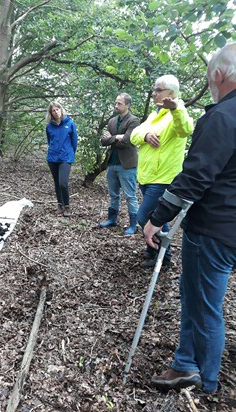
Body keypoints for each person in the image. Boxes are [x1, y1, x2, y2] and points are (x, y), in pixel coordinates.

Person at [144, 42, 236, 394]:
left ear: (218, 74)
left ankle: (201, 378)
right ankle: (187, 361)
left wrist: (157, 217)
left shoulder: (222, 117)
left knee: (202, 302)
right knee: (204, 300)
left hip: (215, 229)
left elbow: (196, 176)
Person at [130, 75, 193, 268]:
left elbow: (186, 129)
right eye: (154, 89)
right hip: (146, 176)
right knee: (158, 219)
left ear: (171, 94)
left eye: (158, 90)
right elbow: (133, 135)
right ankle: (157, 255)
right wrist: (146, 135)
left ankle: (161, 257)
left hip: (163, 178)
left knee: (143, 217)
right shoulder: (153, 115)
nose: (154, 93)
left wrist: (175, 109)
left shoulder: (177, 114)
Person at [99, 93, 140, 235]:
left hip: (127, 164)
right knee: (113, 194)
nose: (116, 106)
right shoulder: (112, 121)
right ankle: (112, 219)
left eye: (119, 104)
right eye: (116, 103)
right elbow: (103, 141)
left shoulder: (134, 121)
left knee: (130, 195)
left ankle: (133, 225)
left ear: (127, 105)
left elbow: (127, 141)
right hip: (112, 163)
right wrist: (116, 137)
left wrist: (112, 137)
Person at [46, 101, 78, 217]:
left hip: (66, 157)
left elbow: (74, 142)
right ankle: (60, 204)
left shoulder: (70, 123)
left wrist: (70, 154)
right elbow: (50, 141)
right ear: (51, 113)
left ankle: (67, 206)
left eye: (57, 109)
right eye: (53, 111)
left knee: (63, 183)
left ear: (61, 109)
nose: (56, 112)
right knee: (56, 182)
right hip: (52, 158)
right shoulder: (49, 126)